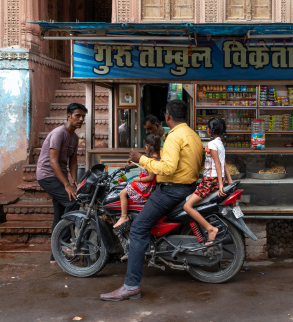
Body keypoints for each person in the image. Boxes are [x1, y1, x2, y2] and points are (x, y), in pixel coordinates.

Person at [100, 100, 203, 302]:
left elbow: (167, 168)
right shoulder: (193, 135)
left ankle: (131, 286)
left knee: (138, 229)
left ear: (167, 117)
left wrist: (141, 159)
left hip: (171, 190)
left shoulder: (174, 137)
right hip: (187, 188)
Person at [36, 103, 88, 264]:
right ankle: (64, 243)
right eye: (77, 116)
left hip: (59, 175)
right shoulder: (59, 133)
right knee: (72, 202)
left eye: (83, 117)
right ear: (68, 116)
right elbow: (53, 162)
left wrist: (74, 179)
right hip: (47, 175)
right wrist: (66, 184)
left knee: (60, 213)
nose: (80, 119)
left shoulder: (74, 137)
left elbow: (73, 159)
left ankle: (54, 257)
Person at [184, 118, 232, 245]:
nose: (206, 129)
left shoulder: (211, 145)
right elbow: (224, 164)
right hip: (217, 179)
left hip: (210, 181)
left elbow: (217, 164)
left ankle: (210, 229)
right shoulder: (220, 143)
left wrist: (221, 186)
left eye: (207, 127)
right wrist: (229, 181)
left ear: (210, 130)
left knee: (187, 206)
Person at [113, 134, 161, 228]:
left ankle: (123, 216)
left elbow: (150, 177)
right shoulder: (158, 158)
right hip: (149, 185)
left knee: (122, 193)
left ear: (147, 148)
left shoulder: (152, 160)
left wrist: (137, 179)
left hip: (145, 186)